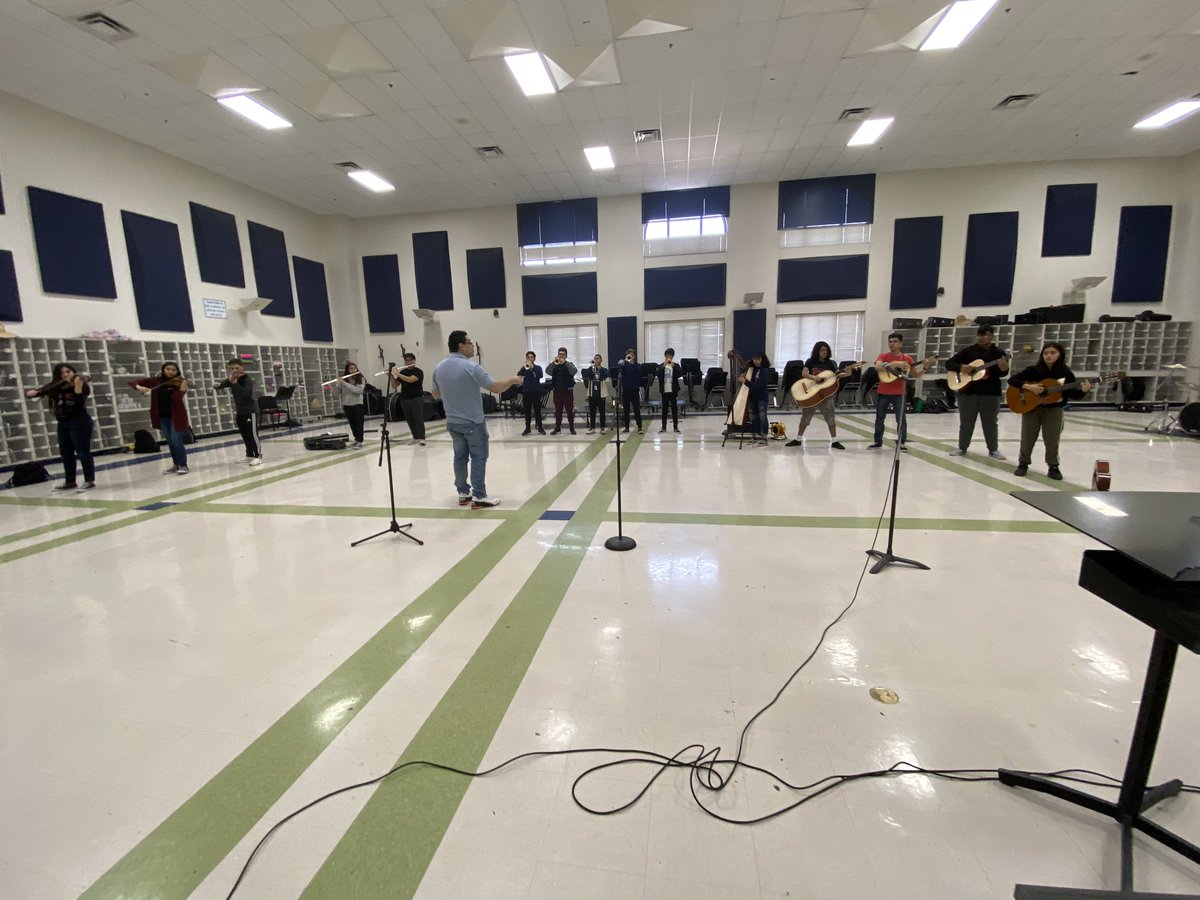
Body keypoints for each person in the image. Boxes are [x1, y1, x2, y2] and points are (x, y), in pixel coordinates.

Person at [430, 330, 522, 508]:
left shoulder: (439, 367)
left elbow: (435, 394)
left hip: (453, 422)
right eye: (469, 342)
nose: (473, 346)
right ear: (461, 346)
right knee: (478, 458)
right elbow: (495, 388)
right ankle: (479, 495)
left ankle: (463, 492)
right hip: (472, 422)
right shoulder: (471, 367)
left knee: (460, 457)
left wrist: (453, 395)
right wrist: (513, 379)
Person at [1008, 342, 1093, 480]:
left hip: (1054, 409)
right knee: (1027, 437)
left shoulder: (1066, 374)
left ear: (1060, 354)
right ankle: (1023, 463)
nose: (1049, 356)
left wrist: (1084, 391)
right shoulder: (1033, 370)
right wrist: (1030, 387)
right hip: (1032, 408)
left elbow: (1072, 394)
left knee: (1052, 439)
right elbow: (1012, 380)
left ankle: (1053, 465)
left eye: (1052, 353)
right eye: (1046, 353)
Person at [25, 363, 96, 491]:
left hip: (80, 421)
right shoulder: (57, 386)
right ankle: (70, 481)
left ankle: (89, 480)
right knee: (66, 452)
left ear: (73, 372)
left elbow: (80, 403)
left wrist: (78, 386)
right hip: (63, 422)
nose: (65, 375)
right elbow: (46, 390)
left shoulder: (81, 384)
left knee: (82, 451)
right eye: (62, 373)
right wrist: (36, 392)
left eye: (68, 372)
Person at [945, 325, 1009, 459]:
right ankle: (962, 447)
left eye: (986, 334)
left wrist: (1004, 368)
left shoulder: (998, 353)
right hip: (968, 392)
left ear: (992, 336)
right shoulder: (968, 351)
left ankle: (993, 449)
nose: (983, 337)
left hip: (991, 393)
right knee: (966, 422)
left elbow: (1003, 373)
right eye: (980, 335)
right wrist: (962, 367)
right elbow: (949, 363)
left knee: (990, 422)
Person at [868, 334, 930, 451]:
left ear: (901, 343)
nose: (892, 344)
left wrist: (925, 368)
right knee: (879, 418)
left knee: (901, 419)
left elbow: (915, 375)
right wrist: (896, 364)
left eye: (895, 341)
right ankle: (877, 441)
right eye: (890, 342)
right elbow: (877, 366)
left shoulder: (907, 359)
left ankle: (901, 442)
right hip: (883, 392)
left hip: (899, 393)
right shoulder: (883, 356)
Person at [129, 362, 191, 474]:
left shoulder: (180, 382)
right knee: (170, 442)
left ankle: (183, 465)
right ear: (163, 369)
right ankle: (176, 465)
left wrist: (182, 391)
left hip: (176, 416)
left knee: (177, 441)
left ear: (177, 372)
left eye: (173, 370)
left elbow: (176, 399)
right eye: (168, 369)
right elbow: (132, 382)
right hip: (162, 417)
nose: (171, 372)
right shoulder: (155, 381)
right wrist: (139, 387)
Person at [786, 341, 848, 450]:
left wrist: (848, 373)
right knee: (805, 417)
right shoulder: (810, 361)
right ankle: (798, 439)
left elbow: (835, 376)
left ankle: (834, 441)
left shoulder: (831, 363)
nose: (825, 352)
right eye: (822, 350)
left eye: (826, 350)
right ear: (817, 351)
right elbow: (804, 373)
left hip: (825, 395)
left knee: (830, 418)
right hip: (812, 394)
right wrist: (814, 378)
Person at [215, 359, 262, 464]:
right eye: (232, 368)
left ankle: (258, 455)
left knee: (252, 434)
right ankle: (249, 455)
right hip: (240, 412)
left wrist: (235, 383)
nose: (235, 370)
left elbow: (245, 394)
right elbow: (223, 384)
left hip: (250, 412)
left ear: (242, 368)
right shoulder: (232, 379)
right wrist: (218, 385)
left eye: (237, 368)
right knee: (245, 434)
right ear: (228, 369)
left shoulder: (246, 379)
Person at [393, 353, 426, 447]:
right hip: (404, 398)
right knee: (409, 419)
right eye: (406, 360)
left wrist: (397, 373)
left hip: (416, 397)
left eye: (410, 360)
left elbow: (410, 380)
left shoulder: (418, 371)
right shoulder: (403, 372)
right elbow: (395, 385)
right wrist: (391, 376)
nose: (409, 362)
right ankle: (415, 437)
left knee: (418, 418)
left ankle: (422, 437)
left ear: (414, 360)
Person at [333, 362, 367, 449]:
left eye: (354, 368)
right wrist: (337, 384)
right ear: (347, 370)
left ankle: (360, 441)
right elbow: (336, 393)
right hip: (347, 405)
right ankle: (356, 439)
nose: (353, 370)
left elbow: (358, 391)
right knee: (352, 424)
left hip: (357, 404)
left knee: (359, 423)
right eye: (351, 369)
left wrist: (344, 383)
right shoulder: (345, 380)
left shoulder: (361, 379)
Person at [545, 346, 578, 435]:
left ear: (566, 356)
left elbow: (574, 371)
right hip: (557, 392)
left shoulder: (569, 364)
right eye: (559, 354)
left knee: (569, 411)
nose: (561, 356)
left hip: (567, 392)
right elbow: (547, 371)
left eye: (563, 354)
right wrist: (552, 363)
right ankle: (557, 428)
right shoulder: (554, 365)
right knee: (558, 411)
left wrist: (565, 364)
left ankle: (571, 428)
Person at [518, 351, 545, 436]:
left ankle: (540, 427)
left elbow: (540, 375)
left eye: (531, 357)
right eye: (528, 357)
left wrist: (532, 368)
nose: (530, 359)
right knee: (527, 411)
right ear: (526, 358)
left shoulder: (538, 367)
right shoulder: (524, 368)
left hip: (536, 391)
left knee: (537, 411)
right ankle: (527, 428)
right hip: (526, 392)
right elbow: (518, 375)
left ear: (534, 358)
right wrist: (524, 367)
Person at [618, 348, 643, 434]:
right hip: (626, 390)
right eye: (629, 355)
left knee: (636, 409)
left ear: (634, 356)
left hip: (635, 390)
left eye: (632, 355)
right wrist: (625, 362)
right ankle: (627, 427)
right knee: (626, 410)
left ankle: (640, 427)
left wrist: (632, 364)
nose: (630, 357)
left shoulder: (638, 365)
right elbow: (619, 367)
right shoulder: (624, 365)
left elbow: (639, 373)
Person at [583, 354, 610, 434]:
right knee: (592, 411)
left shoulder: (603, 369)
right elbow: (586, 375)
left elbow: (607, 375)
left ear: (601, 361)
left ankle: (602, 427)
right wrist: (592, 366)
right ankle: (592, 427)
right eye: (595, 358)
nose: (596, 360)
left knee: (602, 411)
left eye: (598, 359)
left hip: (601, 393)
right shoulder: (591, 369)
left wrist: (599, 367)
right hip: (592, 393)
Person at [657, 348, 683, 434]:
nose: (669, 356)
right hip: (664, 390)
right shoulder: (661, 366)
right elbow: (658, 375)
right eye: (668, 355)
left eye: (671, 355)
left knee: (674, 409)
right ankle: (664, 426)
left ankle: (675, 427)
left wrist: (674, 366)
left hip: (673, 390)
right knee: (664, 409)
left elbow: (680, 374)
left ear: (672, 356)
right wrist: (663, 366)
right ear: (665, 356)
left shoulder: (676, 365)